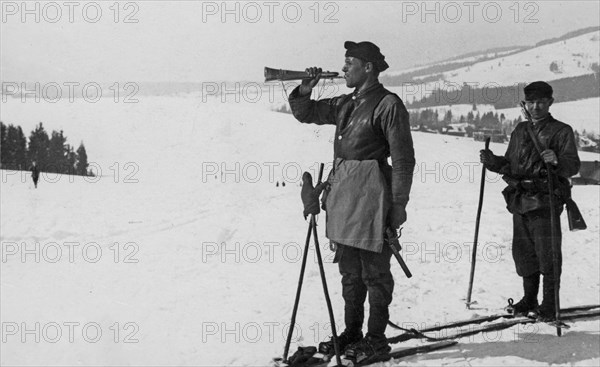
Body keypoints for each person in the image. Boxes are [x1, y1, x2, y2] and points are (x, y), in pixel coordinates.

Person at [288, 41, 415, 360]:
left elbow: (402, 160)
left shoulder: (389, 104)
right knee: (350, 273)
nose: (343, 68)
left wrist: (398, 205)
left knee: (375, 273)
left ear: (368, 67)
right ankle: (352, 333)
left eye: (349, 63)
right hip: (343, 196)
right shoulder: (344, 103)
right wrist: (306, 87)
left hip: (373, 198)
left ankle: (375, 338)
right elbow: (306, 113)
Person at [480, 81, 580, 321]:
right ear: (525, 104)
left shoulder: (561, 130)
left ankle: (549, 304)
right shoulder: (521, 130)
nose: (535, 107)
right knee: (524, 254)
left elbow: (572, 165)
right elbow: (511, 165)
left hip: (545, 201)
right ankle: (529, 299)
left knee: (548, 254)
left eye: (541, 103)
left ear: (550, 103)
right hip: (521, 200)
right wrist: (492, 161)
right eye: (531, 103)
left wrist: (556, 160)